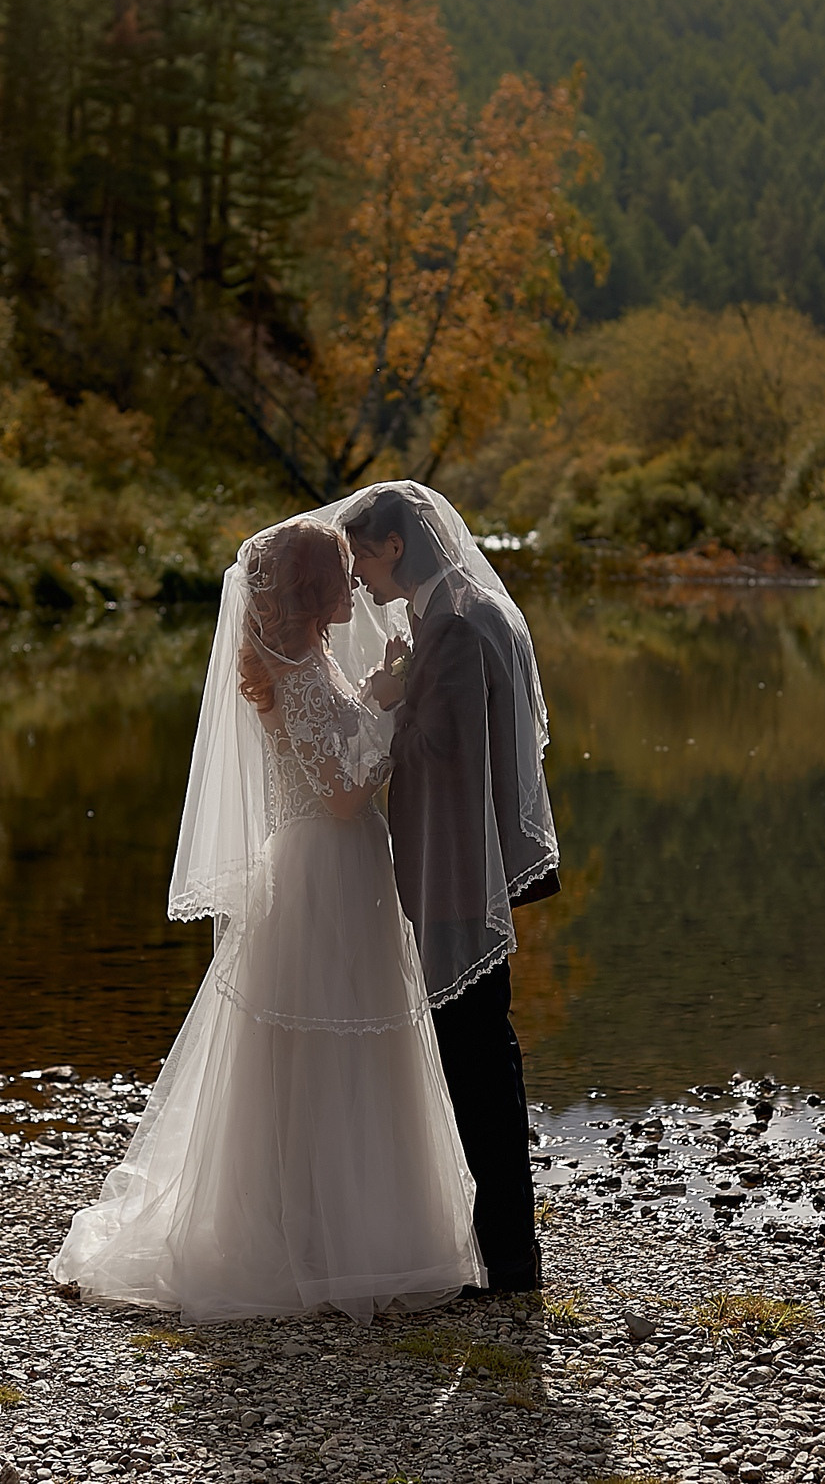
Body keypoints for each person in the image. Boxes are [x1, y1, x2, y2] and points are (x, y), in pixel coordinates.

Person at [48, 515, 483, 1322]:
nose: (356, 585)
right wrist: (388, 707)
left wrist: (375, 697)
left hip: (345, 868)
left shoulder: (309, 657)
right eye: (341, 575)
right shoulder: (289, 669)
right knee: (314, 1044)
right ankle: (306, 1242)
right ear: (313, 591)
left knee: (350, 1045)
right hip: (320, 869)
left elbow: (341, 750)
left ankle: (337, 1225)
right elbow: (344, 791)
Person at [340, 482, 559, 1295]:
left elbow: (449, 749)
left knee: (478, 1065)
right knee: (479, 1057)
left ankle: (509, 1262)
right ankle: (503, 1251)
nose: (357, 575)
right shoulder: (452, 609)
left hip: (461, 874)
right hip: (464, 864)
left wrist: (389, 704)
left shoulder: (456, 622)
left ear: (394, 545)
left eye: (362, 554)